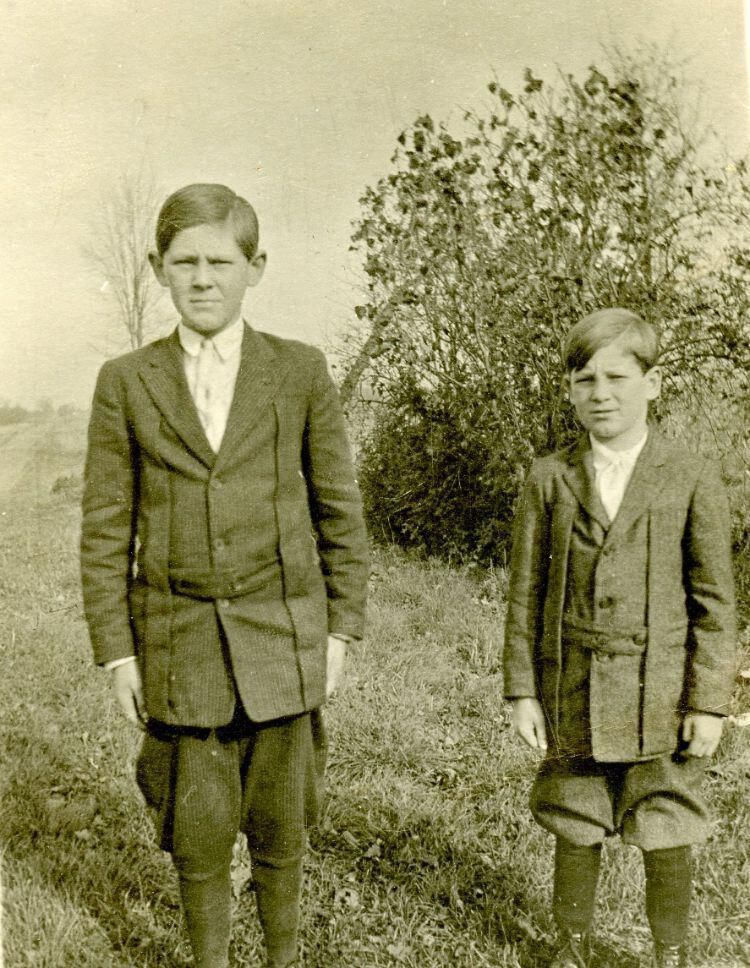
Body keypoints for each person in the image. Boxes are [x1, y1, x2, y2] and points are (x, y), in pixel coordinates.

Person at [80, 183, 369, 968]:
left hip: (284, 636)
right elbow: (105, 530)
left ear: (255, 267)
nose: (202, 279)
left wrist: (339, 631)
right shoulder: (127, 381)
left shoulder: (299, 371)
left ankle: (283, 958)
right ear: (157, 269)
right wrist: (118, 653)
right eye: (185, 263)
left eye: (220, 262)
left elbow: (340, 510)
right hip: (179, 644)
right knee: (198, 832)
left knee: (282, 824)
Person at [503, 308, 736, 968]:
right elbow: (524, 595)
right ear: (570, 390)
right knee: (574, 812)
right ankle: (571, 944)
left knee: (667, 819)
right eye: (585, 380)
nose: (601, 394)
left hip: (662, 693)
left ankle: (671, 952)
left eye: (617, 378)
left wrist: (709, 703)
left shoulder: (690, 475)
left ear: (652, 384)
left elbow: (716, 604)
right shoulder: (550, 478)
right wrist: (521, 691)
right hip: (572, 687)